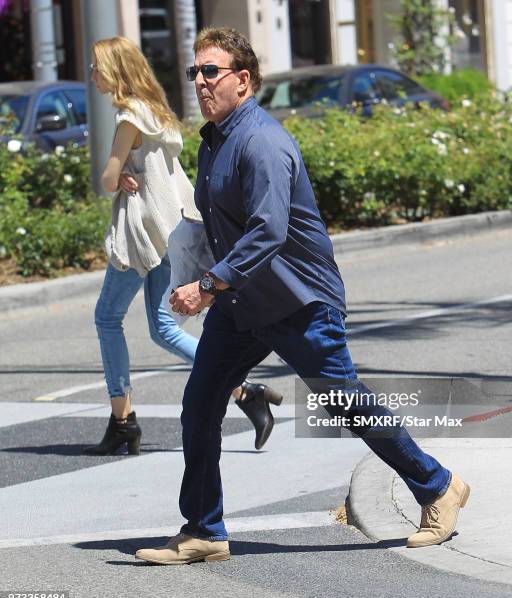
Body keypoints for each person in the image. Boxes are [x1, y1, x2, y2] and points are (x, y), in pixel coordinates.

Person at [135, 28, 470, 565]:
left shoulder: (262, 142)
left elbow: (267, 231)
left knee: (348, 402)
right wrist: (201, 272)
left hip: (297, 302)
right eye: (194, 72)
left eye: (210, 71)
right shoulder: (215, 140)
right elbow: (222, 225)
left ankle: (437, 486)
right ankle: (203, 529)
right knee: (200, 404)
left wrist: (208, 285)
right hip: (243, 304)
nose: (199, 81)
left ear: (242, 81)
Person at [85, 36, 281, 456]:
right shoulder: (158, 112)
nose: (92, 74)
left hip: (139, 235)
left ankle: (123, 420)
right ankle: (245, 392)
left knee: (106, 319)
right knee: (163, 328)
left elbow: (104, 180)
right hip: (169, 231)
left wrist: (115, 176)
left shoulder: (128, 118)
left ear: (115, 69)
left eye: (97, 66)